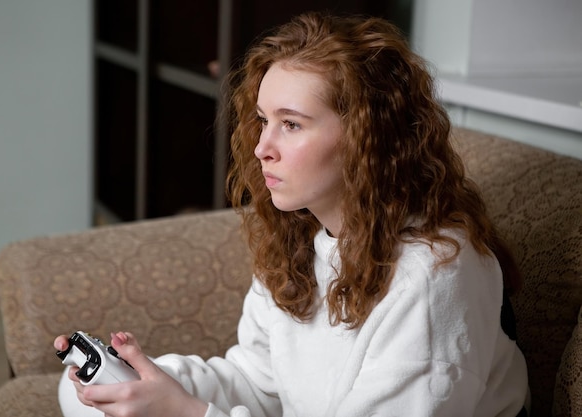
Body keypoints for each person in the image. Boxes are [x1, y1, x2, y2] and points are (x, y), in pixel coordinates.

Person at [55, 11, 530, 417]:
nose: (262, 148)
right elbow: (258, 383)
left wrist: (185, 411)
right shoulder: (304, 232)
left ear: (369, 139)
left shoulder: (433, 275)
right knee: (88, 397)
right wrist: (152, 382)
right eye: (264, 121)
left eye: (291, 124)